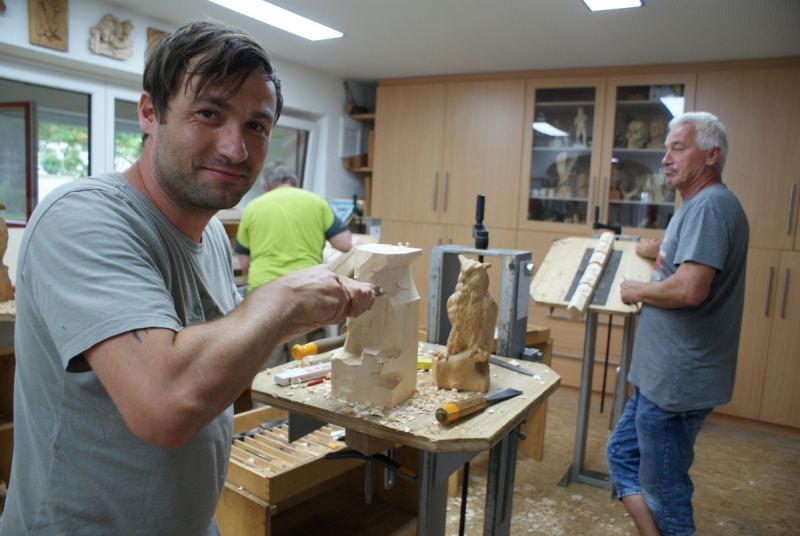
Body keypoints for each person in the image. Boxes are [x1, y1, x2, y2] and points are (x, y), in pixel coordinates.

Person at [1, 20, 374, 536]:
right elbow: (165, 405)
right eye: (209, 113)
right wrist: (284, 299)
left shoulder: (213, 234)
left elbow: (215, 350)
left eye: (256, 125)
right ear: (149, 112)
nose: (236, 149)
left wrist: (318, 305)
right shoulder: (82, 216)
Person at [606, 112, 749, 536]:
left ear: (711, 155)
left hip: (676, 383)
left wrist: (638, 290)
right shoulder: (697, 205)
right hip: (659, 377)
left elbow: (690, 289)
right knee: (622, 457)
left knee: (665, 496)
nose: (665, 158)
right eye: (666, 149)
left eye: (678, 148)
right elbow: (688, 260)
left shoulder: (710, 206)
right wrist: (656, 250)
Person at [234, 160, 352, 294]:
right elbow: (345, 244)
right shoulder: (317, 202)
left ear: (266, 186)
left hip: (263, 290)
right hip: (308, 287)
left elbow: (244, 263)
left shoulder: (252, 207)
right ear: (294, 183)